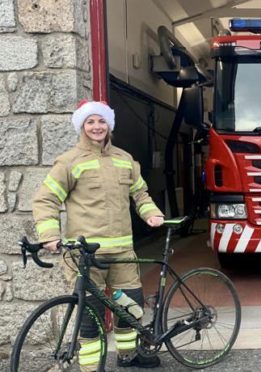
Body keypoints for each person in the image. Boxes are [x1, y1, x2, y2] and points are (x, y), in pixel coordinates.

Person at [32, 100, 164, 370]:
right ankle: (90, 367)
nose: (96, 126)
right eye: (90, 121)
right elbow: (45, 200)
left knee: (130, 308)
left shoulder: (125, 159)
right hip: (85, 254)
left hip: (122, 252)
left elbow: (140, 194)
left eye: (101, 121)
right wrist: (49, 234)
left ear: (109, 125)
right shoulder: (69, 162)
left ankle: (128, 356)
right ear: (82, 125)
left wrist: (151, 213)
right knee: (89, 317)